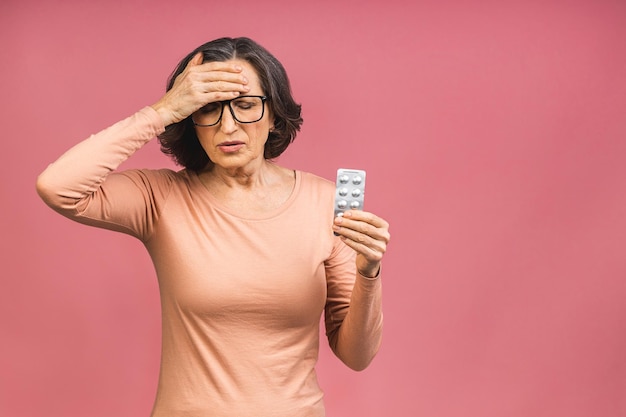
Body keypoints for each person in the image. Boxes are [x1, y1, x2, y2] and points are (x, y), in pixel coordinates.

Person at [36, 37, 390, 417]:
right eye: (208, 109)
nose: (228, 125)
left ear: (274, 115)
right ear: (191, 119)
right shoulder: (161, 198)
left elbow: (357, 356)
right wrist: (162, 110)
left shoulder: (324, 203)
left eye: (245, 105)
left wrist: (369, 274)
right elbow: (58, 187)